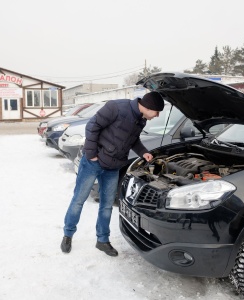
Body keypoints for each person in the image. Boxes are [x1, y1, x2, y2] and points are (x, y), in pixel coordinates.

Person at [60, 91, 165, 256]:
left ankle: (102, 240)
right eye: (157, 111)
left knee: (107, 206)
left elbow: (133, 140)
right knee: (79, 199)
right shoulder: (116, 107)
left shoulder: (141, 120)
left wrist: (143, 152)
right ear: (148, 107)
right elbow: (92, 126)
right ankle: (68, 234)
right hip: (93, 163)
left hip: (113, 166)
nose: (157, 115)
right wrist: (91, 154)